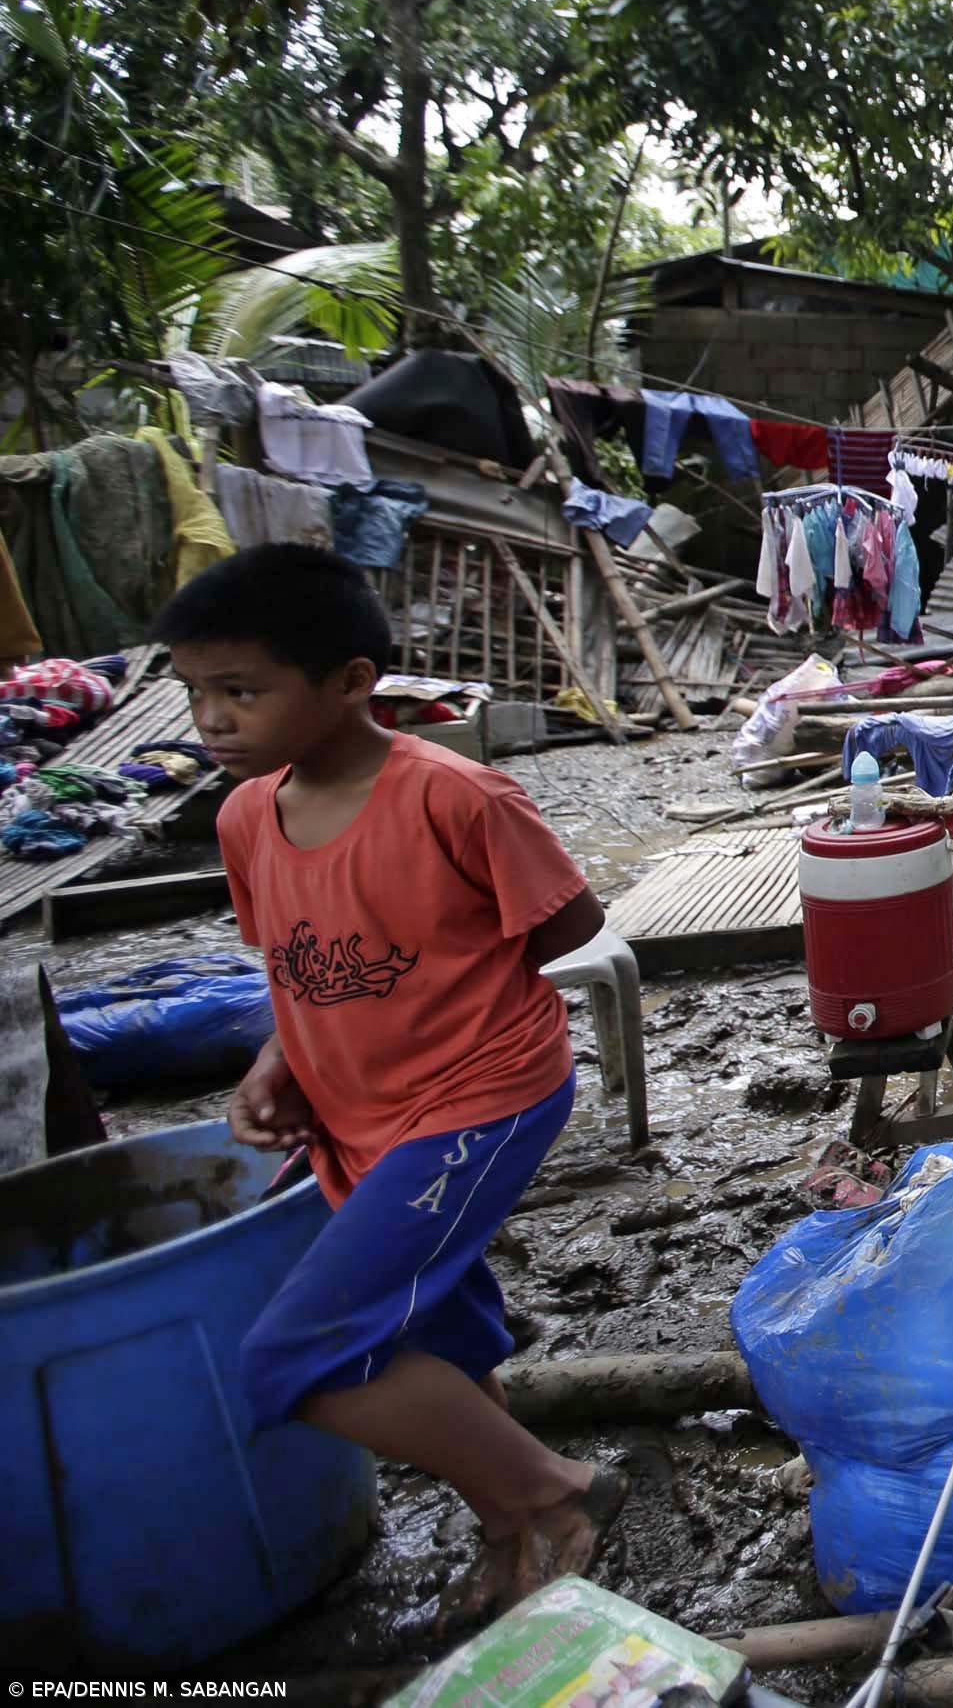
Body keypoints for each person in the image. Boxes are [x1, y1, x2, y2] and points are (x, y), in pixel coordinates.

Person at [156, 544, 625, 1621]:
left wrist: (451, 1003)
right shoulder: (241, 820)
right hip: (358, 1119)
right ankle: (511, 1527)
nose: (212, 720)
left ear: (352, 681)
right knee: (429, 1335)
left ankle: (556, 1494)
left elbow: (569, 922)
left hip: (480, 1096)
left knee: (303, 1353)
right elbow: (296, 961)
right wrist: (283, 1058)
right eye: (196, 694)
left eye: (242, 691)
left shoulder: (454, 796)